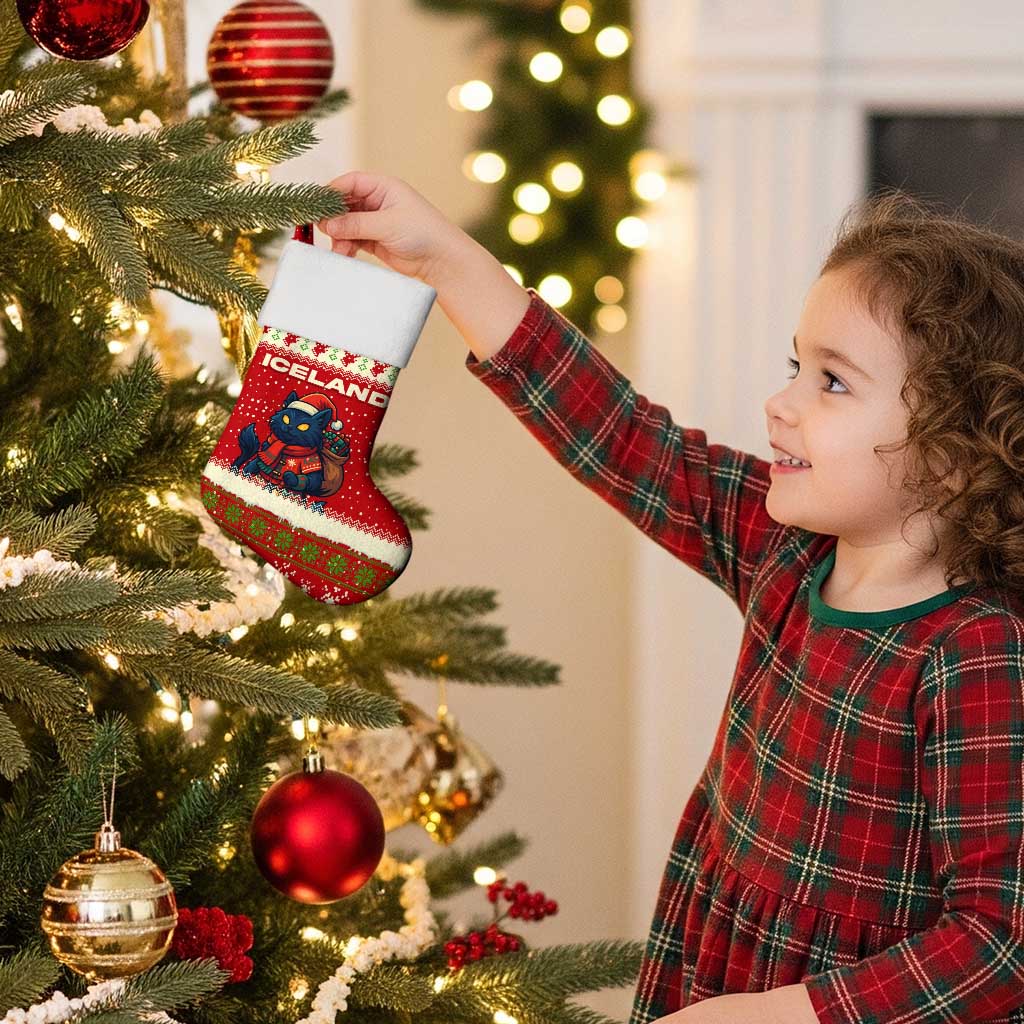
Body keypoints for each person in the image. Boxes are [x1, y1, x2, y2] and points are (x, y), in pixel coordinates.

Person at [318, 174, 1024, 1024]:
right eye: (797, 366)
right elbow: (622, 436)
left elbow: (998, 942)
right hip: (716, 963)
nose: (782, 403)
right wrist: (450, 261)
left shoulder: (978, 652)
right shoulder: (786, 552)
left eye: (832, 383)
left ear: (956, 453)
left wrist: (778, 1016)